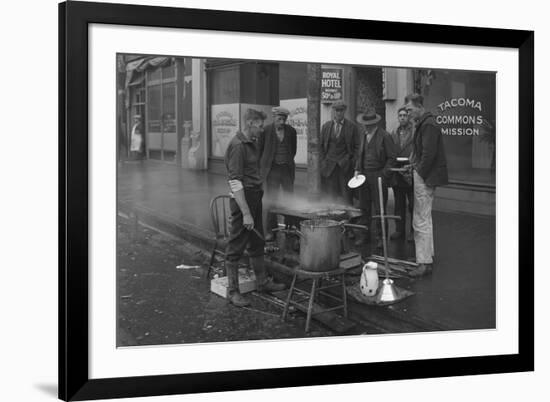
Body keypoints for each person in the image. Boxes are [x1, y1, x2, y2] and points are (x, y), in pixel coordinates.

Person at [224, 108, 286, 307]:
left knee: (257, 242)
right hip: (243, 201)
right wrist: (246, 213)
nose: (262, 129)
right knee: (236, 246)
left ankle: (261, 282)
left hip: (254, 197)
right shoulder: (238, 146)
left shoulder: (252, 143)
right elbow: (235, 182)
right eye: (259, 125)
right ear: (250, 123)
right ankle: (232, 291)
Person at [404, 93, 448, 276]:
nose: (407, 113)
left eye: (409, 109)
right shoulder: (425, 123)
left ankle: (423, 263)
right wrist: (414, 165)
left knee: (420, 219)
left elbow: (428, 155)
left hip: (425, 177)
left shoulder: (428, 124)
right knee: (425, 218)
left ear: (419, 106)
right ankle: (427, 255)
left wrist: (418, 172)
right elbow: (423, 152)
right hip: (426, 175)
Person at [353, 108, 396, 249]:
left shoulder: (385, 136)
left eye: (368, 125)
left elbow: (392, 158)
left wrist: (384, 175)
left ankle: (380, 238)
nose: (366, 127)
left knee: (379, 209)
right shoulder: (364, 135)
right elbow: (360, 155)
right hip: (364, 176)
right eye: (365, 124)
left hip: (378, 175)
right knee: (364, 208)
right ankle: (363, 236)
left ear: (374, 124)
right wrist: (357, 170)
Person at [258, 106, 297, 241]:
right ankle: (270, 231)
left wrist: (286, 161)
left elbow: (293, 150)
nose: (281, 122)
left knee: (289, 201)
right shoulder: (265, 131)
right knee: (271, 201)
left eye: (284, 119)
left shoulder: (291, 131)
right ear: (274, 118)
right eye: (279, 119)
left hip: (286, 170)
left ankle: (290, 229)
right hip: (271, 170)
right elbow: (259, 150)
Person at [320, 100, 359, 205]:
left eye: (341, 110)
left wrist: (351, 161)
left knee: (346, 195)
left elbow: (357, 147)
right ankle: (332, 219)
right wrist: (323, 161)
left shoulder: (352, 127)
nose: (339, 113)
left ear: (344, 111)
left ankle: (348, 218)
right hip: (329, 167)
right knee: (330, 197)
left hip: (345, 167)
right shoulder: (326, 127)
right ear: (333, 111)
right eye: (337, 110)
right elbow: (321, 147)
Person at [390, 107, 414, 241]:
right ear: (398, 117)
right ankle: (399, 230)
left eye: (405, 115)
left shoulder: (415, 132)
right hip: (397, 172)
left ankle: (413, 231)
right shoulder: (394, 132)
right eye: (400, 115)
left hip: (410, 172)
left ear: (409, 117)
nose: (403, 117)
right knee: (398, 204)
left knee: (412, 205)